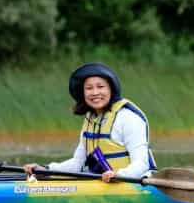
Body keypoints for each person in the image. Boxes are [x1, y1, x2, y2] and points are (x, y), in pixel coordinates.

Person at [24, 63, 156, 182]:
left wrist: (119, 175)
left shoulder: (128, 118)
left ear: (111, 89)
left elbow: (141, 163)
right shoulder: (91, 120)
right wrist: (46, 170)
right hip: (104, 182)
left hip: (136, 184)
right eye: (89, 88)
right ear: (83, 93)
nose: (95, 93)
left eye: (100, 87)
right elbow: (77, 164)